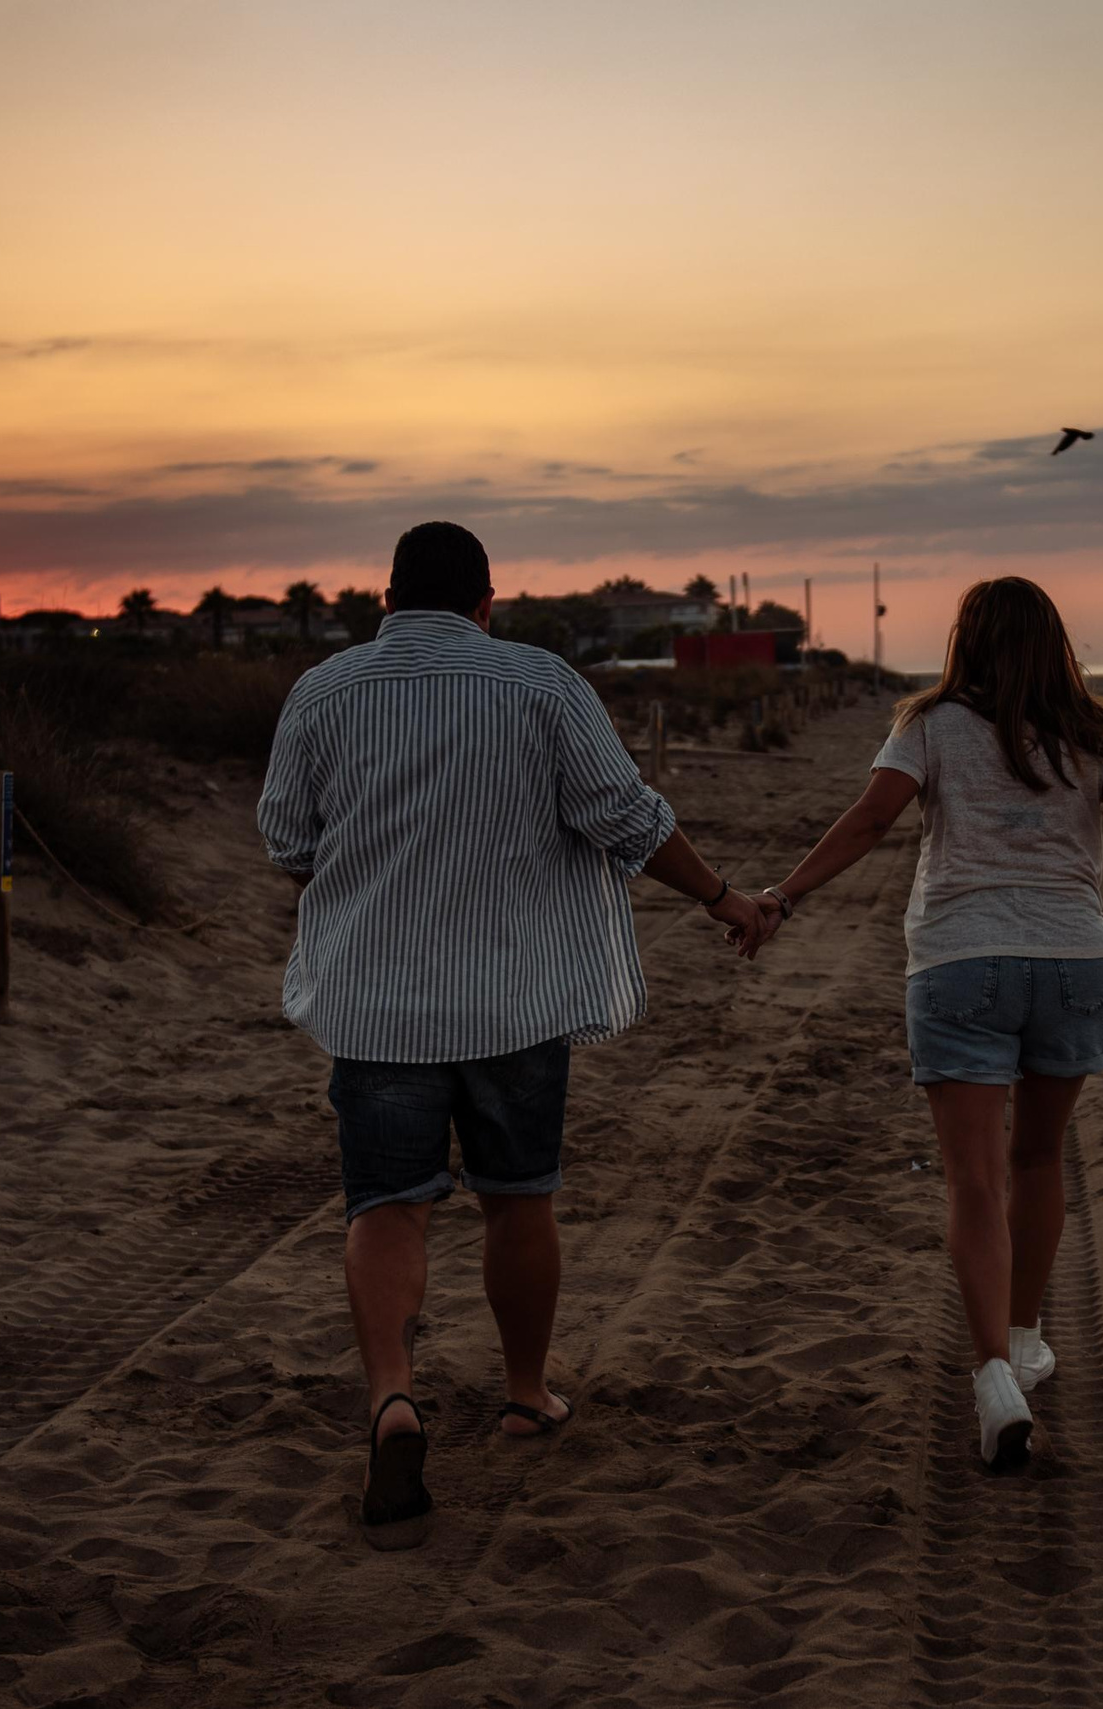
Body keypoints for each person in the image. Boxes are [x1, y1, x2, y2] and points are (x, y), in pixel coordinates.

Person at [257, 521, 771, 1540]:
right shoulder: (541, 684)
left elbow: (287, 839)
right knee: (518, 1198)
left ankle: (393, 1398)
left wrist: (368, 883)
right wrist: (723, 898)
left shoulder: (323, 692)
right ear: (487, 604)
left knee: (386, 1205)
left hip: (377, 1006)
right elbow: (627, 819)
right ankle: (527, 1394)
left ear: (386, 602)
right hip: (513, 1000)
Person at [751, 577, 1103, 1470]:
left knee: (973, 1180)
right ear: (1053, 641)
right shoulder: (1095, 731)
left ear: (968, 640)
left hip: (961, 961)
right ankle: (1026, 1337)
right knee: (1037, 1160)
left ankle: (995, 1369)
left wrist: (782, 896)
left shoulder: (929, 724)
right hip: (1074, 961)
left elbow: (872, 819)